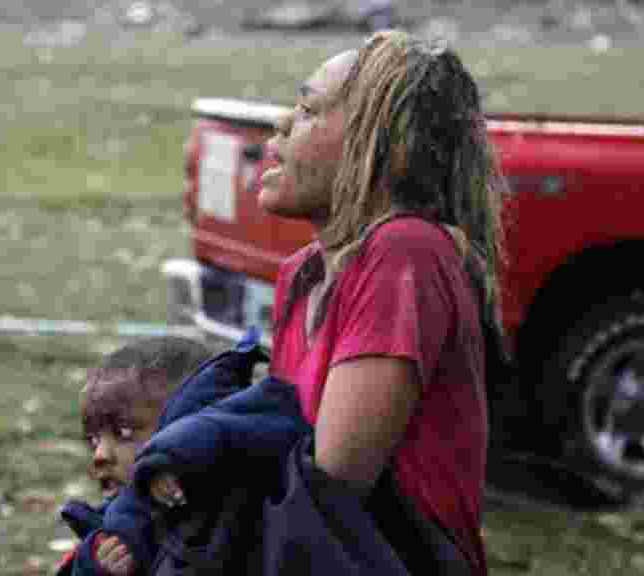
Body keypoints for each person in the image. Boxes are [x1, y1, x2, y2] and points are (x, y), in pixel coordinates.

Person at [257, 29, 505, 576]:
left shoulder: (405, 252)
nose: (281, 123)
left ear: (384, 148)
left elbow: (332, 484)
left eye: (307, 108)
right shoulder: (302, 275)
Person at [55, 335, 214, 576]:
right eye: (94, 440)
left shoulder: (226, 520)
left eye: (123, 433)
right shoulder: (103, 540)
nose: (100, 455)